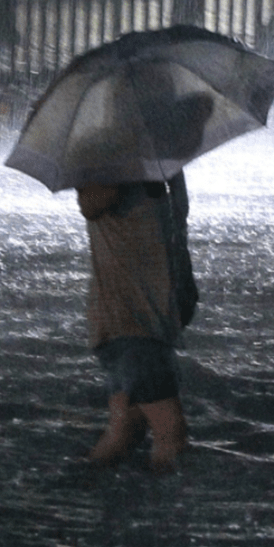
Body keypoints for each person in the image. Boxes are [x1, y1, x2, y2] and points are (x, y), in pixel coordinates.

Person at [76, 170, 195, 472]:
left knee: (126, 430)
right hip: (128, 320)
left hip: (151, 320)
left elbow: (174, 228)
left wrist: (184, 283)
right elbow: (89, 204)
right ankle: (167, 515)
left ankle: (70, 496)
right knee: (172, 435)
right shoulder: (111, 160)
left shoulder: (165, 166)